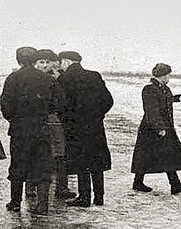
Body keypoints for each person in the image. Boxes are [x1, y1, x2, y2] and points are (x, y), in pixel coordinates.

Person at [1, 47, 58, 214]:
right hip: (41, 128)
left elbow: (5, 104)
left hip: (19, 130)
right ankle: (42, 205)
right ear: (34, 60)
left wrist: (13, 118)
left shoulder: (13, 78)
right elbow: (59, 102)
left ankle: (15, 202)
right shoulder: (46, 78)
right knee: (42, 166)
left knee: (18, 164)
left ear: (18, 59)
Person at [58, 51, 114, 207]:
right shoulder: (94, 76)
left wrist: (67, 122)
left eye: (62, 62)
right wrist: (97, 116)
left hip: (75, 128)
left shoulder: (64, 79)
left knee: (82, 163)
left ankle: (84, 197)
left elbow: (62, 105)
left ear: (66, 61)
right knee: (96, 160)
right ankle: (99, 197)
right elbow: (108, 100)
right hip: (95, 126)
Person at [130, 63, 181, 194]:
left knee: (165, 155)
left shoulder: (163, 88)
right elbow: (151, 111)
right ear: (163, 75)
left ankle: (173, 184)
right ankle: (140, 183)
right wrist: (159, 128)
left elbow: (165, 100)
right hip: (152, 128)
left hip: (163, 126)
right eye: (168, 75)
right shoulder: (150, 89)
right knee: (148, 156)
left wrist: (179, 99)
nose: (169, 77)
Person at [38, 49, 75, 199]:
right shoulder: (56, 78)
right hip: (52, 120)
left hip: (47, 120)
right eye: (45, 61)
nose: (49, 64)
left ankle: (35, 189)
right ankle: (60, 188)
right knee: (56, 154)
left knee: (54, 154)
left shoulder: (57, 77)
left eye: (50, 61)